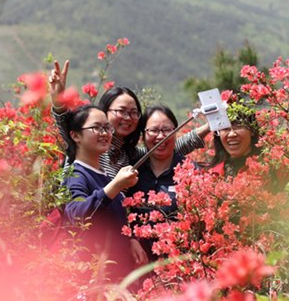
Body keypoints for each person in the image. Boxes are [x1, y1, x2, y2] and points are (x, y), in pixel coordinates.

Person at [49, 60, 209, 178]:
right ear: (105, 111)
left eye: (133, 112)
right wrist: (58, 100)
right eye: (121, 111)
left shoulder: (129, 155)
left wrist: (209, 126)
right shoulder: (89, 141)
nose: (128, 118)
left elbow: (166, 144)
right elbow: (65, 122)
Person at [61, 104, 148, 281]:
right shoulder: (76, 175)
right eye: (96, 128)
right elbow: (77, 214)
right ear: (75, 135)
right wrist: (115, 186)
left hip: (115, 279)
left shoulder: (106, 177)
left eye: (107, 128)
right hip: (91, 280)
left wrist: (130, 239)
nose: (105, 133)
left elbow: (113, 222)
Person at [125, 105, 187, 260]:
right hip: (138, 262)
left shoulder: (188, 171)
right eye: (153, 130)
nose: (161, 136)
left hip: (178, 262)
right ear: (143, 135)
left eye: (167, 130)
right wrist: (130, 238)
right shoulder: (131, 171)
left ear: (175, 131)